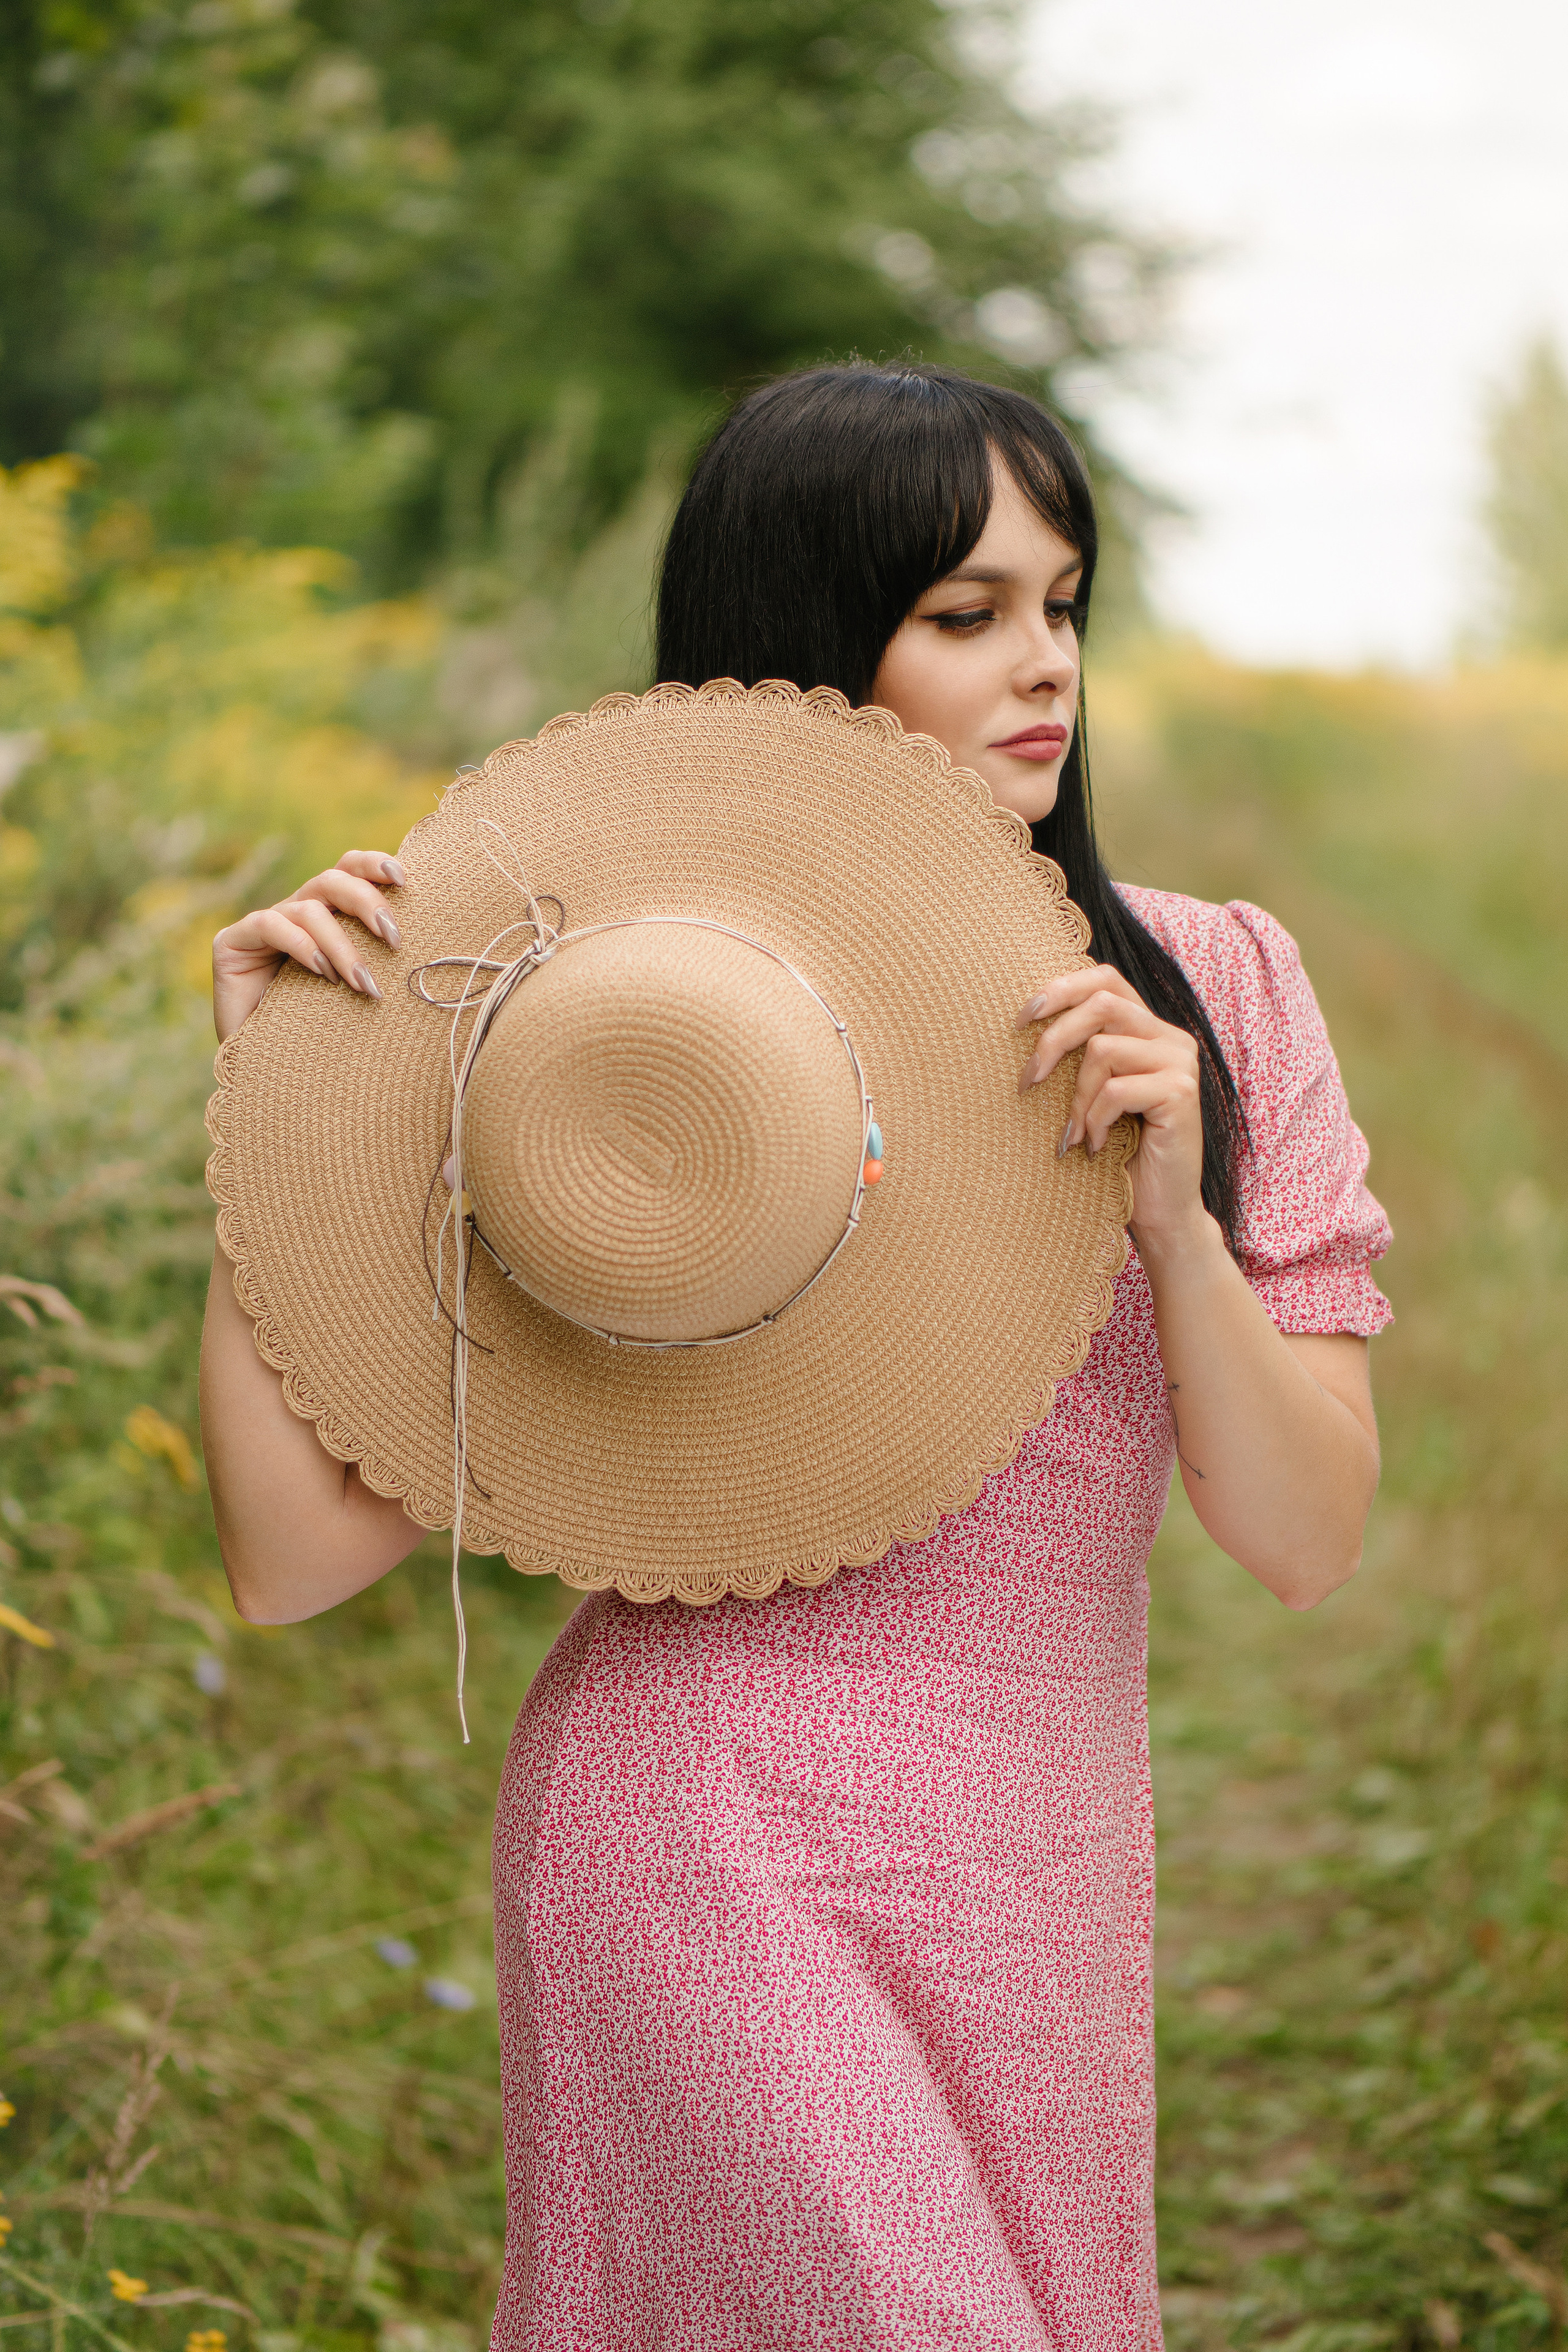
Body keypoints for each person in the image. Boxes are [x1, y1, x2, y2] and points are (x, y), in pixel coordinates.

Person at [201, 364, 1390, 2350]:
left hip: (1038, 1872)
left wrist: (1177, 1230)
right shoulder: (610, 1029)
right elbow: (292, 1557)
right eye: (964, 613)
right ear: (809, 636)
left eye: (1062, 602)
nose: (1045, 664)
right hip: (695, 1846)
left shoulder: (1217, 994)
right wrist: (280, 1133)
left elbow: (1308, 1536)